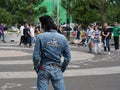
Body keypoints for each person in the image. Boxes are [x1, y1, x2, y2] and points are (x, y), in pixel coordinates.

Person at [33, 15, 71, 90]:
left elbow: (36, 56)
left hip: (43, 67)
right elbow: (68, 57)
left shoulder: (40, 37)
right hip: (57, 67)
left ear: (44, 25)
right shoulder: (63, 38)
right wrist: (62, 68)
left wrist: (37, 67)